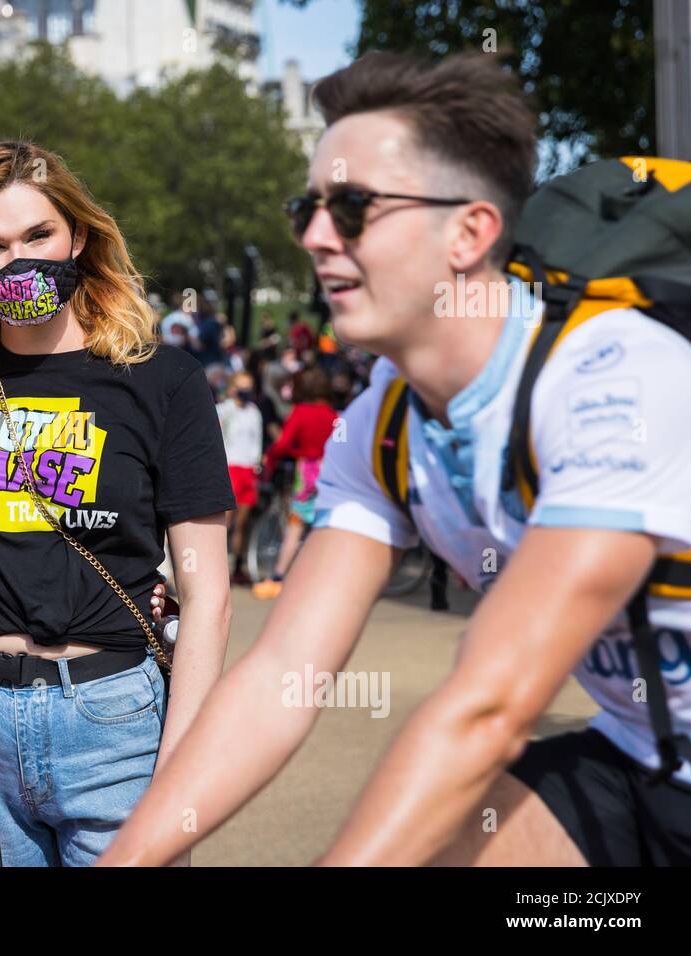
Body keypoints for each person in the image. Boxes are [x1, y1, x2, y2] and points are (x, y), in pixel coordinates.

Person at [99, 50, 691, 867]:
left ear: (470, 230)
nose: (313, 236)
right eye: (306, 206)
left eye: (351, 208)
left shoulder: (613, 380)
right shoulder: (385, 421)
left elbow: (489, 707)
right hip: (637, 757)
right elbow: (281, 677)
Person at [0, 139, 235, 866]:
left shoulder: (163, 382)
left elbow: (209, 593)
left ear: (79, 237)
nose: (18, 260)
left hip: (114, 724)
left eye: (38, 235)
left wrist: (180, 765)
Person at [251, 366, 338, 599]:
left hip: (307, 472)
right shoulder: (333, 415)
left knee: (295, 525)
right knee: (323, 527)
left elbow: (284, 443)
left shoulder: (301, 412)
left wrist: (273, 456)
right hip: (330, 473)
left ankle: (278, 577)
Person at [216, 371, 263, 585]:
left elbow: (257, 440)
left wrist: (257, 463)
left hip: (248, 468)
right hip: (230, 466)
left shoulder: (254, 412)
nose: (246, 390)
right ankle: (218, 565)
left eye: (249, 385)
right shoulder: (224, 409)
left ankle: (236, 566)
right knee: (224, 520)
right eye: (242, 385)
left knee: (242, 522)